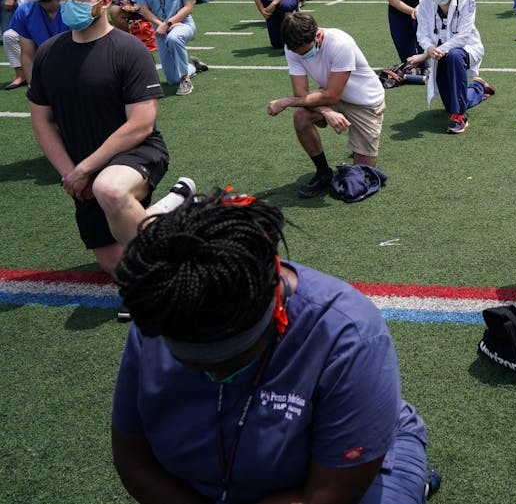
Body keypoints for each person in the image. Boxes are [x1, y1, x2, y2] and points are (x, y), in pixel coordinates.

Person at [111, 192, 437, 504]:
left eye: (232, 358)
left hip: (345, 475)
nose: (217, 376)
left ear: (274, 307)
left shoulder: (348, 334)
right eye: (193, 362)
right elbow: (135, 463)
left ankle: (411, 483)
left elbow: (325, 497)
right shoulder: (164, 312)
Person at [27, 0, 168, 275]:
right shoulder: (49, 53)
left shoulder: (130, 50)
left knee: (110, 189)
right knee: (117, 267)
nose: (70, 3)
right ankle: (165, 213)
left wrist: (85, 169)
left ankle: (164, 277)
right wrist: (70, 173)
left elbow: (141, 124)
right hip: (80, 168)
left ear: (104, 2)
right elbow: (41, 120)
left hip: (134, 154)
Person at [267, 12, 388, 197]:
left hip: (365, 102)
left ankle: (358, 152)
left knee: (360, 181)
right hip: (329, 95)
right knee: (301, 115)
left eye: (306, 52)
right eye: (299, 54)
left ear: (318, 35)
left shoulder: (340, 44)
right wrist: (326, 112)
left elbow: (332, 95)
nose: (303, 56)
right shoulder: (292, 47)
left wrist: (286, 101)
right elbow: (301, 92)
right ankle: (323, 172)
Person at [415, 0, 494, 134]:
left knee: (454, 55)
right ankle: (479, 88)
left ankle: (460, 116)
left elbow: (463, 36)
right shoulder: (425, 1)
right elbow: (422, 33)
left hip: (466, 49)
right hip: (439, 54)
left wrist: (429, 53)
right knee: (451, 104)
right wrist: (429, 48)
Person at [132, 0, 205, 96]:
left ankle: (185, 80)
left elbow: (188, 7)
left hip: (183, 23)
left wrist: (169, 23)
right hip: (160, 29)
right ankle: (192, 66)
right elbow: (143, 8)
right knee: (172, 79)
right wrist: (162, 25)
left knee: (174, 38)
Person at [4, 0, 67, 91]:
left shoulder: (73, 11)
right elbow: (28, 55)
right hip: (48, 69)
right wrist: (34, 89)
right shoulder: (24, 11)